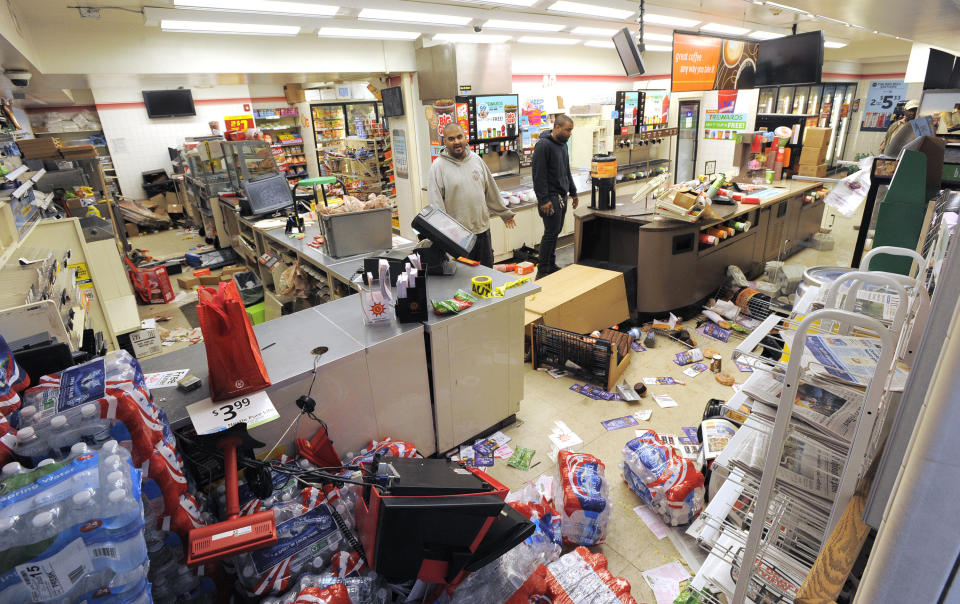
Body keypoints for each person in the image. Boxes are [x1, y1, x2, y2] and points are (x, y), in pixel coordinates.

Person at [427, 123, 515, 267]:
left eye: (459, 137)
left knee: (487, 273)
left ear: (465, 137)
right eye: (451, 139)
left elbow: (490, 190)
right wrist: (444, 237)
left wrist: (504, 213)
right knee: (464, 280)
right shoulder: (438, 167)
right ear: (445, 141)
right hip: (458, 237)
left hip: (482, 231)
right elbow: (437, 206)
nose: (456, 142)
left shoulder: (476, 160)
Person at [532, 114, 578, 278]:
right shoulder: (543, 146)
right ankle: (542, 270)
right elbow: (538, 175)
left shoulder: (563, 145)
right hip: (550, 198)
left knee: (556, 231)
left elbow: (566, 170)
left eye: (571, 130)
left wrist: (573, 191)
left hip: (561, 196)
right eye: (568, 130)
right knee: (551, 232)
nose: (570, 133)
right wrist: (543, 200)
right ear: (557, 127)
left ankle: (550, 264)